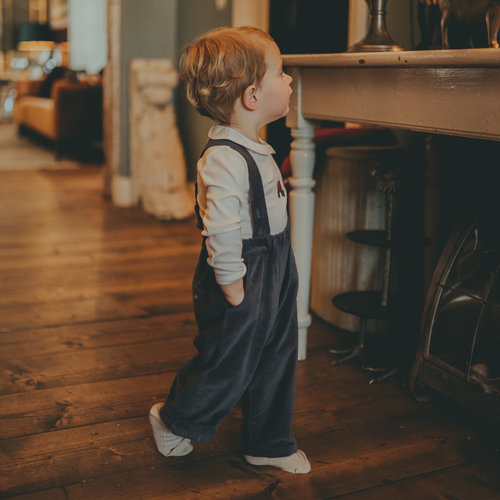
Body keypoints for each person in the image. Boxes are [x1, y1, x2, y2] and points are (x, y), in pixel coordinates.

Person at [149, 26, 311, 475]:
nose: (290, 80)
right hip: (242, 272)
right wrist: (233, 285)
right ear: (252, 97)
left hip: (276, 266)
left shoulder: (256, 144)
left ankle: (269, 441)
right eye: (281, 73)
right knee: (229, 362)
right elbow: (220, 228)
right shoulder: (223, 157)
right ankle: (174, 418)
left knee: (278, 355)